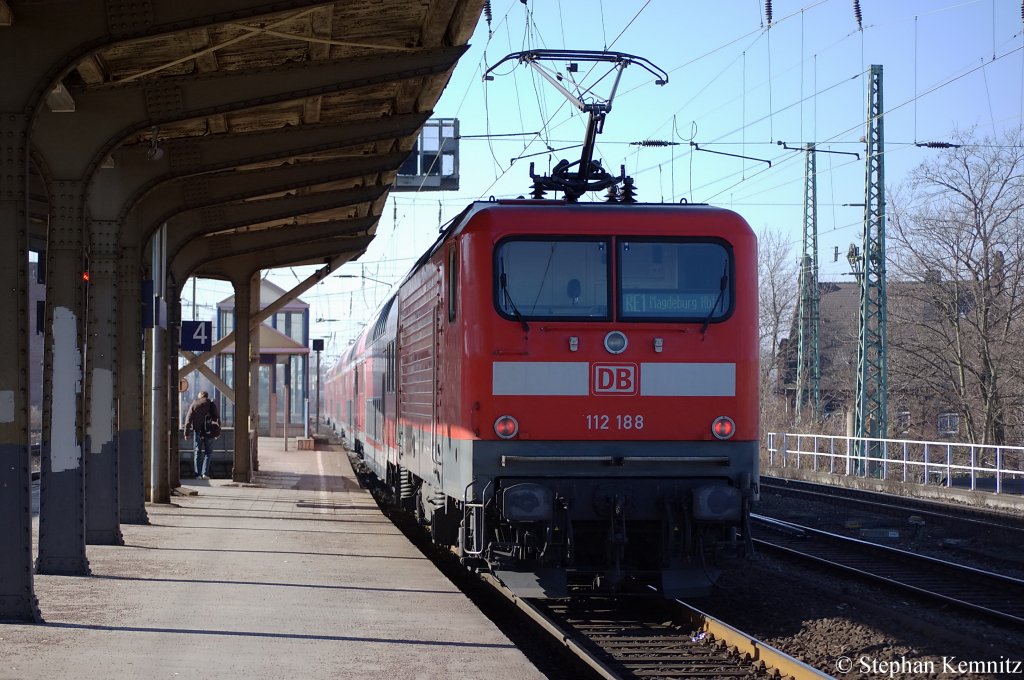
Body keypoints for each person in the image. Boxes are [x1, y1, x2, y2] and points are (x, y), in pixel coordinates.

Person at [184, 391, 220, 479]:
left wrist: (186, 433)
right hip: (209, 432)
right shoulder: (211, 405)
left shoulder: (194, 404)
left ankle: (198, 475)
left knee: (197, 452)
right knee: (208, 453)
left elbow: (188, 419)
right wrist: (217, 432)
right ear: (207, 396)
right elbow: (217, 419)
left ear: (199, 397)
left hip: (198, 432)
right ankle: (205, 474)